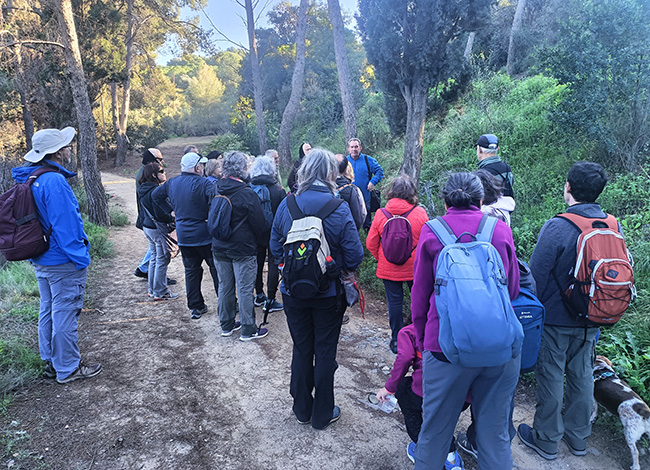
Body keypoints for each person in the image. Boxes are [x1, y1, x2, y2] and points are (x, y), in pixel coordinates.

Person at [411, 172, 520, 469]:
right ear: (481, 199)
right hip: (498, 346)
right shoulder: (498, 230)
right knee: (495, 434)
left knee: (434, 433)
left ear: (446, 201)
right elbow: (511, 289)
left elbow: (419, 295)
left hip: (445, 347)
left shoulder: (432, 232)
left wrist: (424, 343)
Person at [517, 162, 609, 460]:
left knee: (552, 375)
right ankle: (579, 438)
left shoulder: (558, 225)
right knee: (582, 375)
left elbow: (536, 276)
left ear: (568, 186)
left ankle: (546, 440)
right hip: (593, 317)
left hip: (557, 318)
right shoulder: (612, 224)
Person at [270, 148, 364, 430]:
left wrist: (291, 267)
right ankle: (323, 413)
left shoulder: (287, 205)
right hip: (329, 294)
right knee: (325, 351)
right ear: (330, 175)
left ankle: (301, 408)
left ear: (303, 173)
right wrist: (332, 266)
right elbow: (355, 255)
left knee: (301, 348)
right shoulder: (339, 207)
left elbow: (275, 246)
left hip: (292, 293)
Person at [11, 127, 101, 384]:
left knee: (49, 309)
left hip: (41, 257)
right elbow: (67, 225)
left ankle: (52, 361)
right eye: (67, 145)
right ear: (58, 152)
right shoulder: (54, 181)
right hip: (62, 259)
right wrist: (81, 256)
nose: (70, 148)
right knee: (65, 310)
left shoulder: (29, 177)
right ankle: (68, 368)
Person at [376, 322, 465, 469]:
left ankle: (423, 448)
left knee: (405, 390)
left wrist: (389, 388)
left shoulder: (411, 331)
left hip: (430, 391)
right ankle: (451, 459)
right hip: (463, 391)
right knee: (444, 417)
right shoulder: (465, 326)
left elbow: (404, 358)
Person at [152, 152, 218, 320]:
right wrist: (210, 216)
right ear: (197, 167)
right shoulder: (205, 184)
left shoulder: (172, 183)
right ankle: (225, 303)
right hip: (205, 235)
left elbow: (155, 196)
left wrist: (171, 211)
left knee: (191, 271)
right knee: (216, 269)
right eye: (201, 166)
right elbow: (216, 203)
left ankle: (196, 307)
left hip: (185, 236)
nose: (202, 168)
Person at [366, 175, 428, 354]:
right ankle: (419, 337)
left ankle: (396, 340)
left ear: (391, 192)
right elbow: (427, 241)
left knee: (394, 303)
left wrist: (382, 258)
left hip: (388, 269)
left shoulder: (380, 214)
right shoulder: (420, 213)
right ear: (411, 193)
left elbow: (370, 243)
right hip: (415, 268)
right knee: (419, 301)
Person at [212, 152, 269, 340]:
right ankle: (248, 328)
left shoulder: (216, 188)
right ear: (243, 169)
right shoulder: (247, 193)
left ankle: (226, 325)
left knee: (225, 286)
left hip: (219, 246)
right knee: (245, 288)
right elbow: (259, 225)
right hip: (243, 248)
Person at [250, 156, 287, 314]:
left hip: (255, 233)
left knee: (256, 263)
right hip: (274, 233)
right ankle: (271, 299)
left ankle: (259, 294)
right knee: (273, 263)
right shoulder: (279, 190)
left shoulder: (249, 189)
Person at [138, 161, 178, 301]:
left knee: (155, 258)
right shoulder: (155, 190)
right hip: (157, 228)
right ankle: (160, 291)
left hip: (147, 226)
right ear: (154, 175)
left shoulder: (143, 188)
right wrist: (171, 218)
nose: (164, 173)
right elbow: (160, 214)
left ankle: (152, 289)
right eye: (161, 171)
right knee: (162, 259)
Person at [134, 148, 164, 280]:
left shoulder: (143, 172)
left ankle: (147, 273)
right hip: (151, 220)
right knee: (158, 253)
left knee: (154, 250)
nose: (162, 162)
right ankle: (158, 283)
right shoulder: (147, 175)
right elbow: (151, 202)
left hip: (148, 218)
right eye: (160, 159)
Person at [346, 138, 384, 230]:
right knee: (351, 223)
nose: (354, 149)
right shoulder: (345, 161)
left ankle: (368, 240)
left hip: (365, 197)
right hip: (349, 198)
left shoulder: (368, 160)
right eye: (352, 147)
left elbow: (380, 171)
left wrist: (372, 182)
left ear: (360, 148)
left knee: (367, 224)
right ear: (348, 149)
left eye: (356, 147)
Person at [476, 134, 514, 198]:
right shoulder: (507, 168)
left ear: (479, 149)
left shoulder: (481, 174)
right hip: (508, 207)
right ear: (498, 148)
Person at [335, 154, 366, 230]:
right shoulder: (353, 190)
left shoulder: (322, 188)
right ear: (346, 169)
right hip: (348, 231)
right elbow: (361, 215)